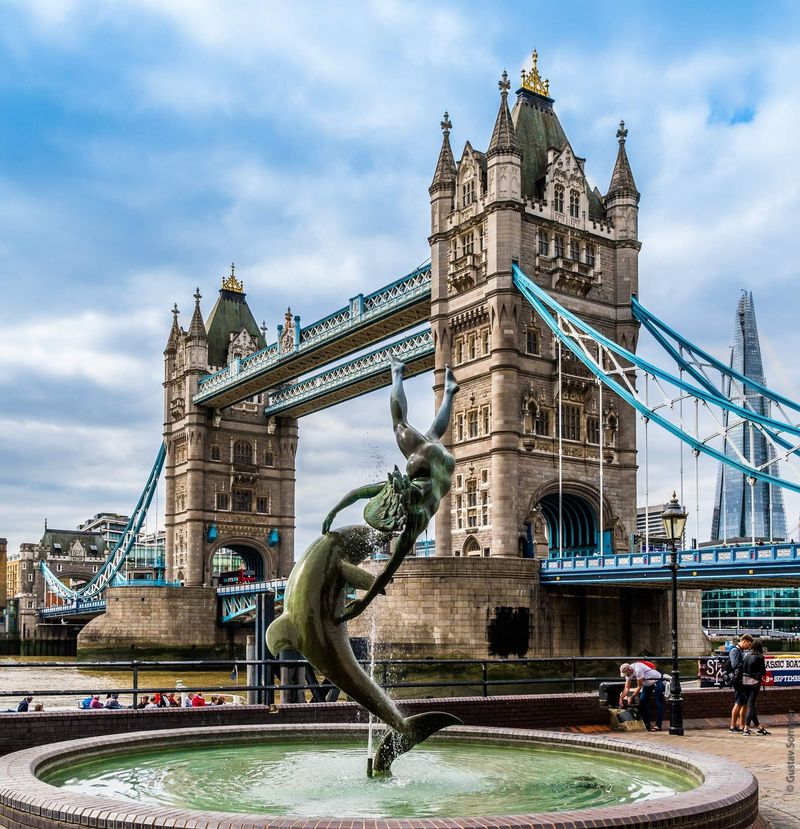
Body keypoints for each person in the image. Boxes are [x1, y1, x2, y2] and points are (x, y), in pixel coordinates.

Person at [322, 356, 459, 622]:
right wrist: (334, 511)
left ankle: (449, 391)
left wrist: (363, 604)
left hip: (444, 464)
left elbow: (388, 571)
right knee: (403, 424)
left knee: (428, 432)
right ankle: (398, 372)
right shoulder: (409, 499)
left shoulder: (417, 517)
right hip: (427, 459)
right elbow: (362, 492)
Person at [619, 661, 665, 732]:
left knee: (658, 702)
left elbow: (639, 686)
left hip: (656, 680)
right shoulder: (627, 673)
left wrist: (631, 697)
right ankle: (647, 724)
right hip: (647, 684)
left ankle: (658, 725)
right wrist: (621, 698)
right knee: (643, 701)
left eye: (627, 674)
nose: (626, 675)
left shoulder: (638, 670)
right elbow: (627, 687)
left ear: (629, 669)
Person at [741, 639, 770, 736]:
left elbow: (742, 667)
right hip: (754, 683)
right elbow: (763, 672)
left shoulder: (746, 655)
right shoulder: (760, 657)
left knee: (751, 705)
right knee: (751, 705)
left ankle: (759, 727)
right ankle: (746, 728)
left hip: (744, 682)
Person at [728, 634, 753, 733]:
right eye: (749, 644)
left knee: (744, 703)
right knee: (738, 703)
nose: (749, 647)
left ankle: (742, 725)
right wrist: (746, 662)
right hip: (738, 681)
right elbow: (734, 665)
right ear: (744, 641)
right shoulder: (735, 650)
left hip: (742, 680)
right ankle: (732, 726)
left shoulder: (741, 651)